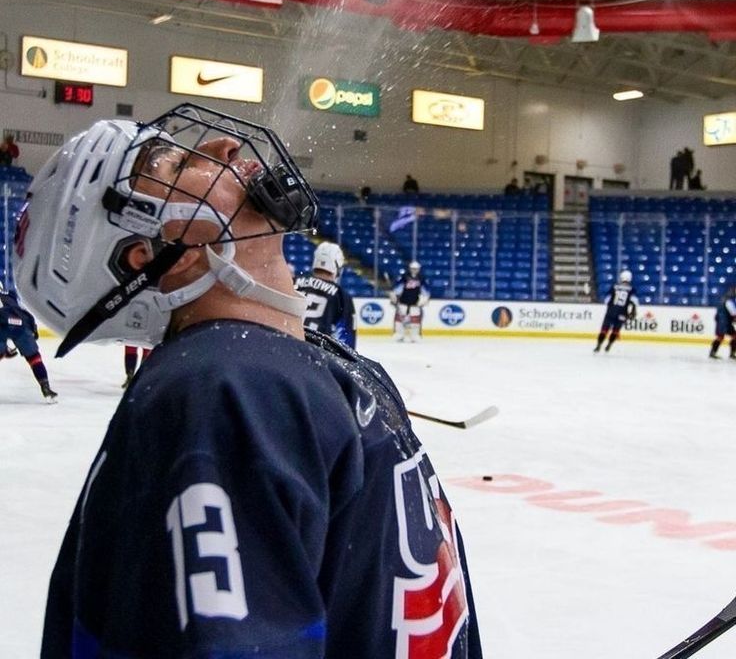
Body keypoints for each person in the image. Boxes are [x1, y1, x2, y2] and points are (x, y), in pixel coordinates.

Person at [13, 103, 482, 658]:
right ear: (164, 256)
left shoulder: (284, 368)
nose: (222, 147)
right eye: (168, 163)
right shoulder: (226, 392)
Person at [0, 280, 57, 401]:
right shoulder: (14, 293)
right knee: (34, 358)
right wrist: (34, 330)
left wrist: (3, 350)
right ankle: (45, 388)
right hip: (21, 325)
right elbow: (26, 314)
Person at [294, 241, 357, 348]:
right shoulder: (341, 295)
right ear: (336, 267)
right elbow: (346, 342)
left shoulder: (293, 282)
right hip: (316, 354)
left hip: (286, 347)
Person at [594, 269, 638, 353]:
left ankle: (598, 346)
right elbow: (635, 302)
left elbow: (607, 300)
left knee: (604, 329)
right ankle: (609, 345)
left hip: (611, 311)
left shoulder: (614, 287)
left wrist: (611, 307)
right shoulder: (632, 289)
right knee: (615, 331)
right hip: (622, 312)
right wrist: (633, 311)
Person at [390, 260, 431, 342]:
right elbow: (397, 289)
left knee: (415, 320)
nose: (414, 270)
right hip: (403, 302)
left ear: (419, 269)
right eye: (412, 268)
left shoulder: (421, 279)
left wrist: (425, 299)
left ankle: (414, 335)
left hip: (415, 303)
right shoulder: (404, 277)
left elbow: (425, 291)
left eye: (416, 269)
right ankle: (399, 334)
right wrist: (393, 296)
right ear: (409, 269)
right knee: (399, 320)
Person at [709, 286, 736, 359]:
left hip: (721, 321)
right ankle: (732, 353)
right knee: (724, 337)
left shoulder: (723, 300)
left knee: (722, 336)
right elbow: (733, 312)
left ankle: (713, 352)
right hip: (725, 322)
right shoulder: (729, 301)